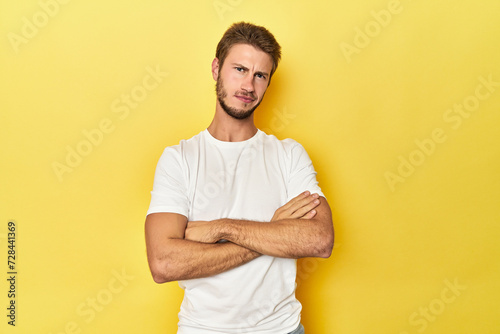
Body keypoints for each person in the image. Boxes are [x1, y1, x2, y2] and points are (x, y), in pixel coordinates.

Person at [144, 21, 334, 334]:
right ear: (217, 68)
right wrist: (273, 233)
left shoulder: (288, 155)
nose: (248, 85)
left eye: (260, 75)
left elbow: (320, 239)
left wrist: (222, 229)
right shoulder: (179, 159)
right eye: (240, 69)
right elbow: (164, 264)